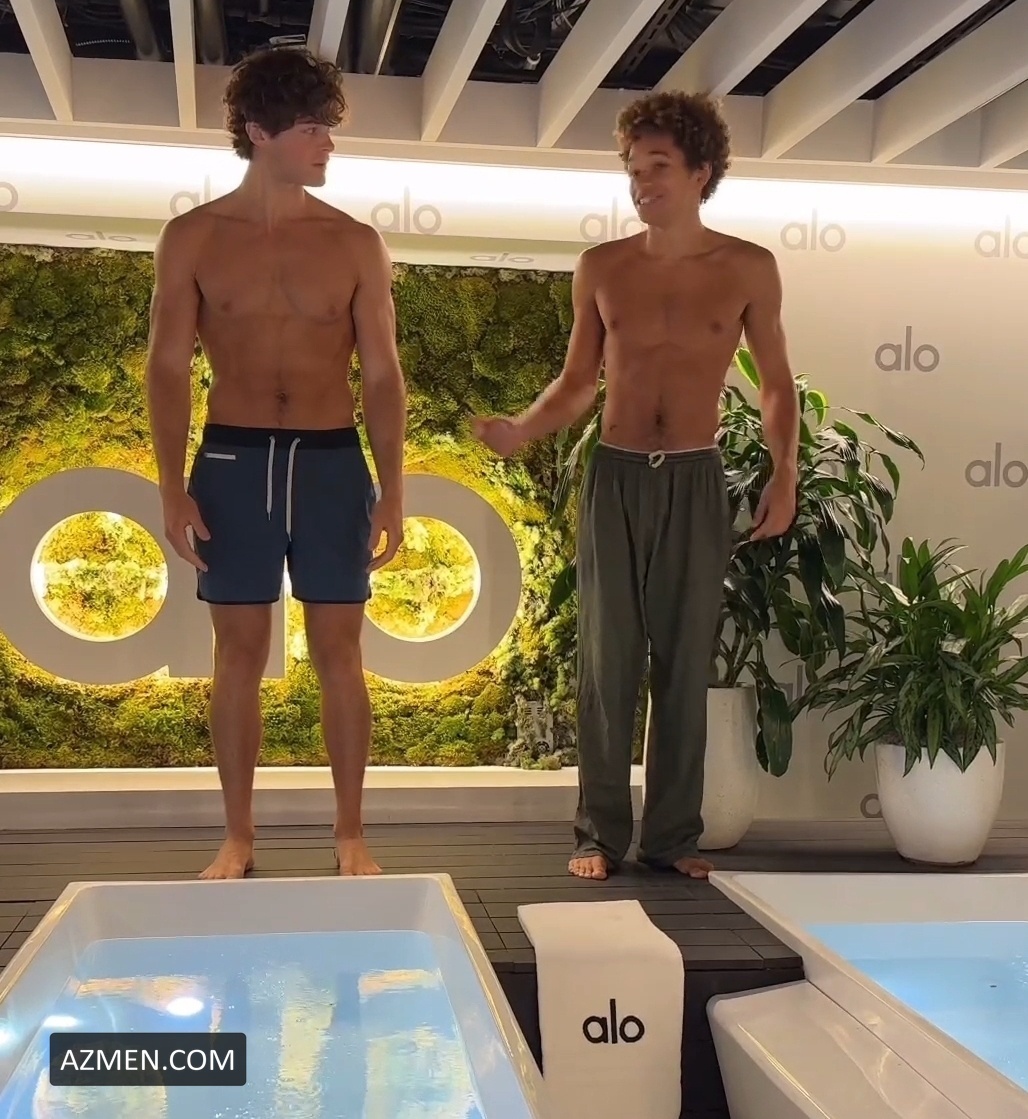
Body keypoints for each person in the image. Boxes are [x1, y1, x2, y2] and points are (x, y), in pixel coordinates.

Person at [473, 90, 799, 882]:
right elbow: (577, 383)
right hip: (615, 475)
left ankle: (673, 836)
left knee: (685, 660)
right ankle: (598, 834)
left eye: (657, 167)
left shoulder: (748, 267)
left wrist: (784, 472)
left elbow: (775, 385)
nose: (640, 183)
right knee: (607, 660)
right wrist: (522, 427)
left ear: (701, 172)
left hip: (695, 477)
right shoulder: (602, 267)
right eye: (632, 169)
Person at [144, 45, 407, 880]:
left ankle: (351, 832)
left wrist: (393, 489)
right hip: (233, 458)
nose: (328, 144)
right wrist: (171, 486)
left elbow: (383, 375)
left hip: (332, 461)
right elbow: (166, 366)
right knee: (238, 653)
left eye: (328, 128)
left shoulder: (356, 242)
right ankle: (239, 834)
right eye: (311, 129)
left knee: (341, 652)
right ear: (259, 133)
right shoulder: (193, 237)